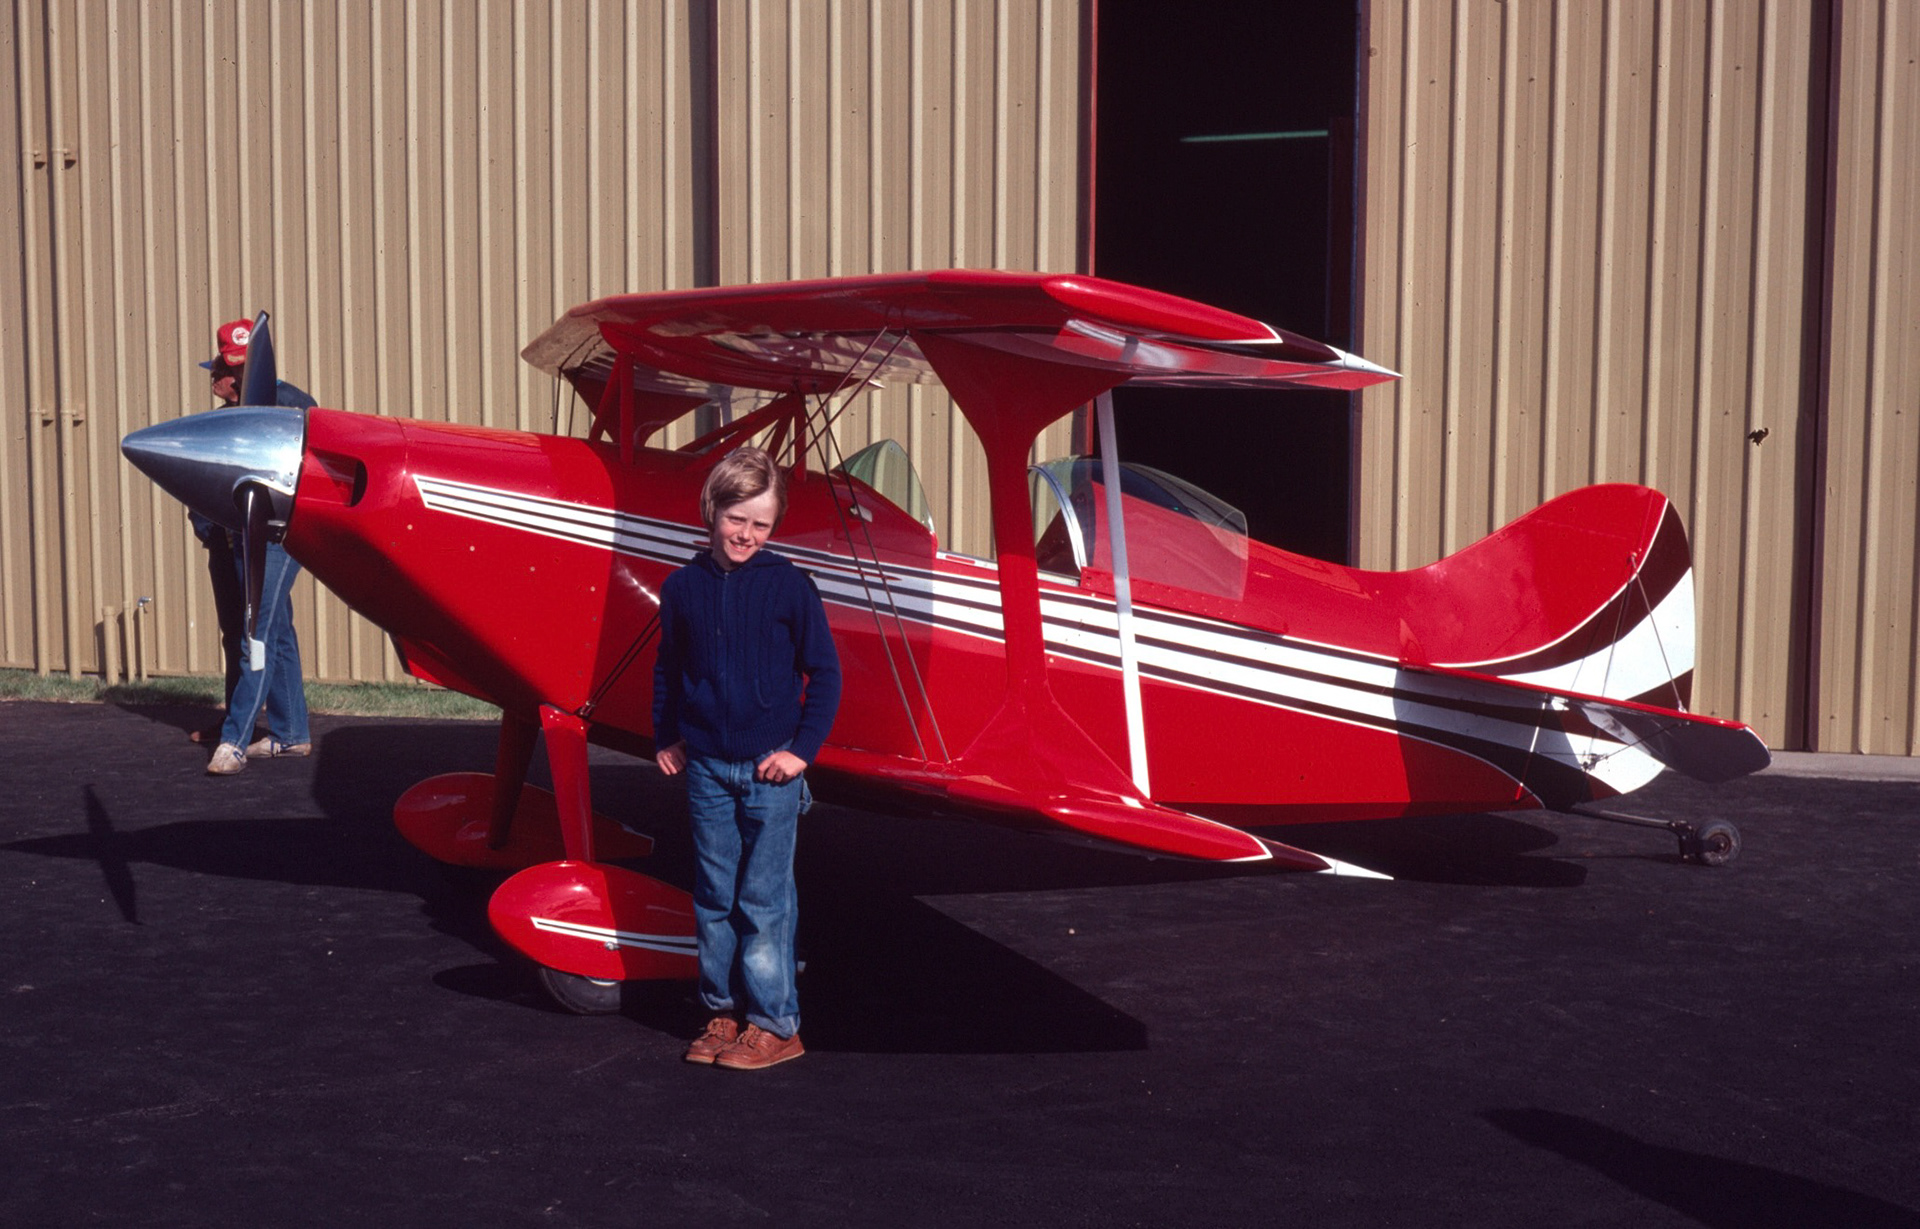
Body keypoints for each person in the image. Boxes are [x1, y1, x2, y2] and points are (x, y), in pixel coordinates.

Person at [652, 446, 841, 1071]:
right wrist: (667, 736)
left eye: (762, 524)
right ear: (713, 511)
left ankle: (775, 1025)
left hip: (770, 772)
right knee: (712, 896)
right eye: (738, 519)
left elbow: (826, 675)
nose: (748, 535)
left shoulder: (790, 587)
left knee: (764, 901)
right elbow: (670, 671)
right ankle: (721, 1013)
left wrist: (801, 753)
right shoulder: (681, 589)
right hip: (706, 767)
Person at [196, 318, 318, 776]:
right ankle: (291, 736)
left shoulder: (293, 406)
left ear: (240, 374)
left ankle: (235, 742)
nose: (213, 379)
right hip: (239, 541)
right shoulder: (229, 413)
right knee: (275, 630)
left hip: (277, 539)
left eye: (220, 372)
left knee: (257, 633)